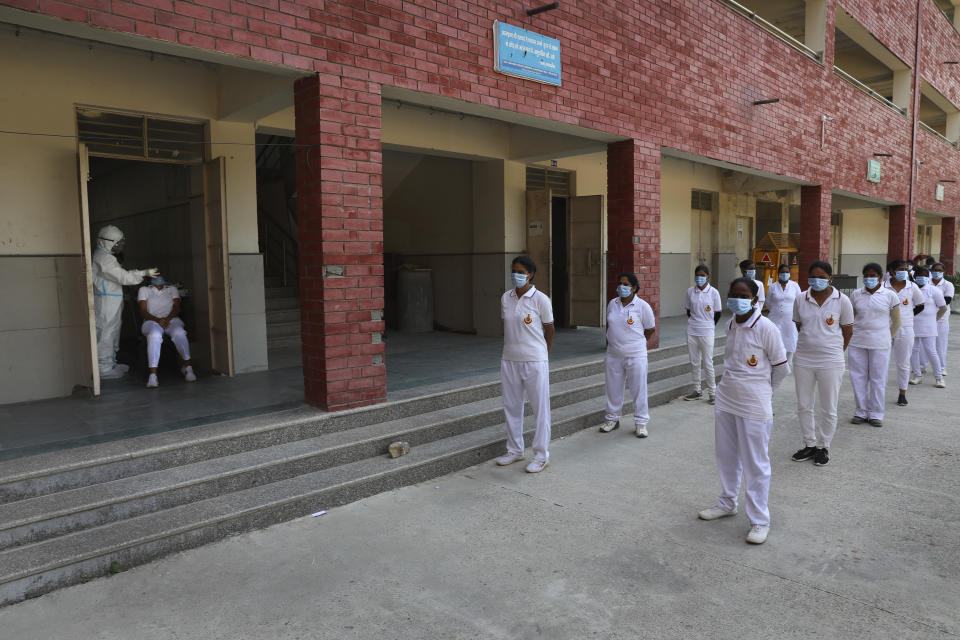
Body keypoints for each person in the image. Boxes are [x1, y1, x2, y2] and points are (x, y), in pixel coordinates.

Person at [698, 277, 787, 545]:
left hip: (754, 402)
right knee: (726, 454)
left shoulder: (766, 328)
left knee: (755, 462)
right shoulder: (730, 323)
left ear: (755, 298)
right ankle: (727, 502)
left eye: (743, 294)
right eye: (733, 293)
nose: (737, 298)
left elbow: (781, 367)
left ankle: (760, 520)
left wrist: (765, 391)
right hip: (727, 397)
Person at [791, 261, 853, 467]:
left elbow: (847, 330)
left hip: (831, 360)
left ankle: (823, 446)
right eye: (812, 277)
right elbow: (800, 325)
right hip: (803, 359)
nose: (816, 280)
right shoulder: (801, 298)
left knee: (828, 406)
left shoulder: (842, 300)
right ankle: (809, 443)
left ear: (830, 278)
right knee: (804, 404)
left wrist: (835, 350)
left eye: (821, 277)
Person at [496, 256, 555, 473]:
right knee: (512, 406)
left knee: (540, 409)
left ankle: (541, 456)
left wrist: (543, 355)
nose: (516, 275)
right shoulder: (506, 297)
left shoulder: (540, 299)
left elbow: (550, 329)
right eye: (513, 271)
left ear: (530, 274)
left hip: (535, 361)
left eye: (520, 271)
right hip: (510, 359)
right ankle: (515, 450)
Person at [92, 225, 159, 380]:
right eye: (119, 243)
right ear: (109, 242)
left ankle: (111, 362)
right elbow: (122, 277)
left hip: (111, 299)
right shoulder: (104, 259)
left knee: (113, 331)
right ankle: (104, 367)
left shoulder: (107, 256)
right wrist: (143, 273)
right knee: (106, 333)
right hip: (105, 301)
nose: (121, 246)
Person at [600, 273, 656, 437]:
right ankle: (612, 419)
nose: (621, 287)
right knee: (613, 388)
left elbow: (650, 328)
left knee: (638, 389)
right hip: (614, 354)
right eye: (620, 283)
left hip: (636, 354)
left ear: (634, 287)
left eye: (625, 284)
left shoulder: (642, 306)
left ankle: (641, 422)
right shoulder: (612, 303)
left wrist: (636, 344)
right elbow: (610, 326)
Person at [847, 263, 901, 427]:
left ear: (880, 276)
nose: (869, 279)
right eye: (867, 275)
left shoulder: (890, 295)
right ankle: (861, 411)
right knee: (858, 377)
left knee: (878, 379)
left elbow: (897, 322)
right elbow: (850, 319)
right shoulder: (856, 294)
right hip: (857, 342)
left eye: (873, 275)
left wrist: (886, 337)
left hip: (880, 344)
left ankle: (876, 413)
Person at [138, 275, 196, 388]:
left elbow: (176, 308)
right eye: (156, 275)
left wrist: (167, 319)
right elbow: (143, 311)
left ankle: (188, 368)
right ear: (151, 278)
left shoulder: (172, 289)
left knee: (179, 333)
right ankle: (153, 375)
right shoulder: (144, 290)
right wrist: (158, 320)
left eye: (161, 275)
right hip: (151, 321)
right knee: (154, 335)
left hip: (171, 319)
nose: (159, 278)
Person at [884, 260, 926, 406]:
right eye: (900, 269)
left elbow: (921, 305)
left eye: (905, 269)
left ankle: (902, 393)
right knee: (881, 362)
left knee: (903, 363)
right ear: (891, 271)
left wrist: (908, 316)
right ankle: (878, 392)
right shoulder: (883, 286)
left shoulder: (912, 286)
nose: (904, 271)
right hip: (885, 328)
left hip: (905, 328)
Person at [683, 265, 722, 404]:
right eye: (697, 275)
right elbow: (688, 310)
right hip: (692, 330)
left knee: (708, 363)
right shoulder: (690, 291)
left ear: (708, 276)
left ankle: (712, 393)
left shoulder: (714, 293)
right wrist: (696, 321)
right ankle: (697, 390)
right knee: (694, 362)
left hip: (707, 331)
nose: (699, 278)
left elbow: (718, 313)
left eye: (702, 275)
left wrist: (709, 325)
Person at [909, 266, 948, 389]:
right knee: (913, 351)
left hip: (929, 326)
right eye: (919, 275)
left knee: (931, 351)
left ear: (928, 277)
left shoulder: (934, 290)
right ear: (914, 277)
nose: (922, 278)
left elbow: (943, 308)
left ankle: (939, 378)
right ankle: (917, 375)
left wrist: (935, 319)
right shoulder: (910, 289)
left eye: (925, 276)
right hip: (912, 325)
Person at [764, 263, 801, 363]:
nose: (784, 274)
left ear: (789, 273)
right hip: (775, 318)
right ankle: (776, 361)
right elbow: (768, 302)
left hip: (790, 319)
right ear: (778, 273)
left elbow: (799, 301)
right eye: (782, 272)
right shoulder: (773, 287)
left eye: (786, 272)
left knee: (790, 339)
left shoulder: (795, 286)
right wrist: (778, 311)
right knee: (775, 339)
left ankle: (788, 363)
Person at [931, 262, 954, 377]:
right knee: (923, 345)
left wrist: (930, 302)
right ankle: (921, 366)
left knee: (940, 345)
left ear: (944, 271)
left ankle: (942, 367)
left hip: (941, 319)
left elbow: (947, 301)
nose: (937, 272)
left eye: (939, 270)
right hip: (927, 319)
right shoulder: (927, 283)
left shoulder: (948, 285)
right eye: (935, 270)